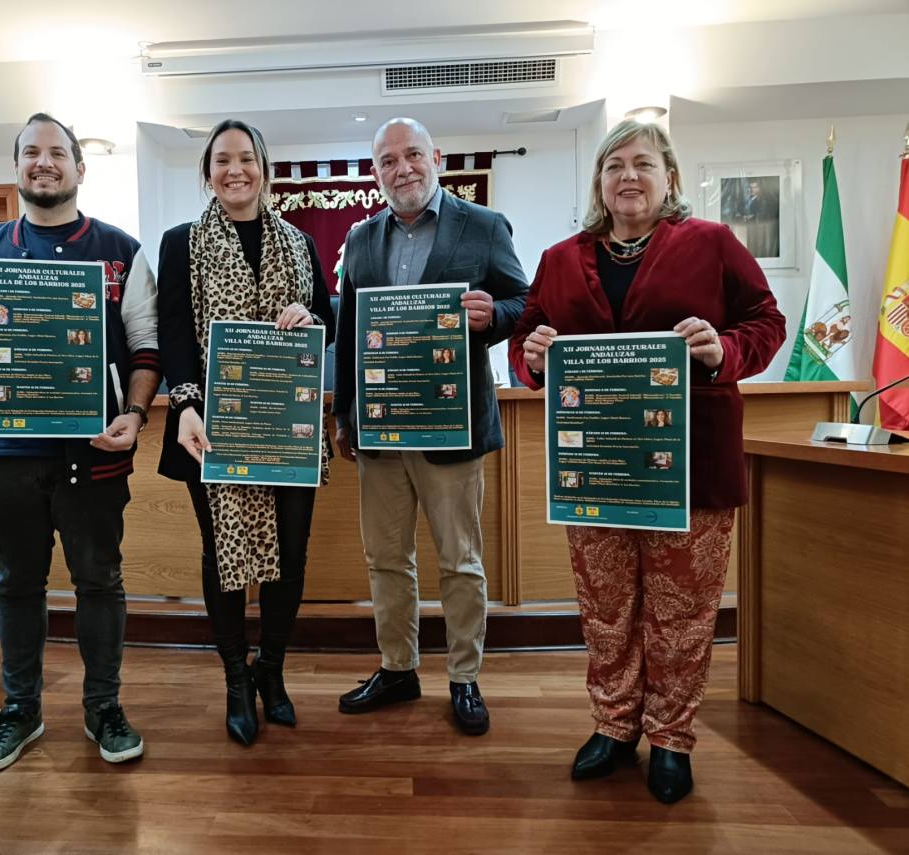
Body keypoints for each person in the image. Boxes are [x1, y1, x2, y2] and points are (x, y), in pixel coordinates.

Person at [509, 120, 785, 803]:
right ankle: (613, 725)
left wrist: (723, 349)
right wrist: (532, 357)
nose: (628, 176)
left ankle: (670, 737)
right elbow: (526, 339)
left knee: (681, 609)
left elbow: (766, 320)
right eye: (614, 166)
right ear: (599, 182)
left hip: (689, 464)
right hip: (594, 464)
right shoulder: (560, 257)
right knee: (606, 606)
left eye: (643, 164)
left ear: (670, 178)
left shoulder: (712, 243)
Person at [0, 113, 160, 772]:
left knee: (99, 580)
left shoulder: (120, 250)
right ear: (17, 166)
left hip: (95, 452)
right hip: (6, 455)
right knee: (16, 584)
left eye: (57, 152)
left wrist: (136, 414)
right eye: (31, 152)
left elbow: (146, 345)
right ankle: (20, 709)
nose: (44, 162)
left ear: (80, 168)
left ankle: (102, 706)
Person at [333, 117, 529, 735]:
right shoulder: (361, 239)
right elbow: (348, 333)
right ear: (375, 173)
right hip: (380, 430)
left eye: (412, 155)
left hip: (452, 427)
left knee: (460, 561)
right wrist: (343, 415)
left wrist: (493, 315)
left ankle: (465, 676)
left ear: (436, 157)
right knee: (386, 559)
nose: (403, 169)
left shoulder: (485, 226)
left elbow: (526, 304)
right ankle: (398, 668)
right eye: (388, 161)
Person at [156, 119, 334, 747]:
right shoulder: (181, 243)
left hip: (288, 426)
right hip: (211, 427)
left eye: (246, 158)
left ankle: (272, 671)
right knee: (222, 555)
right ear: (207, 173)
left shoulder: (300, 243)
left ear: (265, 168)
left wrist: (310, 315)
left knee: (292, 555)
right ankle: (236, 679)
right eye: (222, 160)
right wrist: (185, 404)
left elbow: (329, 318)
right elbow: (174, 330)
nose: (236, 170)